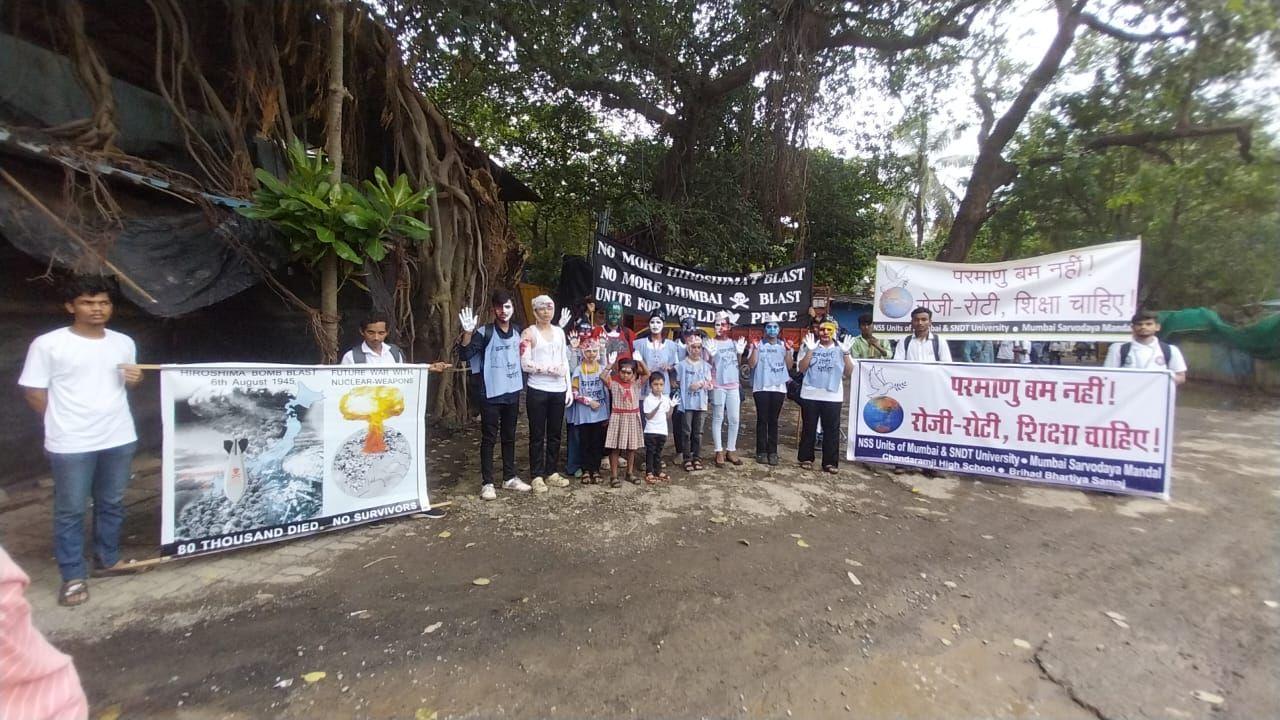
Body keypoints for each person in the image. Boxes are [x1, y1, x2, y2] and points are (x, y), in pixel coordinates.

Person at [18, 277, 143, 607]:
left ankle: (108, 559)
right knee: (71, 508)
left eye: (103, 302)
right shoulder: (48, 344)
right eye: (88, 302)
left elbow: (125, 384)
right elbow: (33, 391)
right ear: (71, 306)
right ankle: (73, 576)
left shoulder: (123, 342)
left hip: (118, 435)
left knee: (112, 501)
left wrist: (136, 379)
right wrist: (59, 422)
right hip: (71, 441)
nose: (97, 308)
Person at [457, 289, 532, 500]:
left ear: (513, 308)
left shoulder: (518, 331)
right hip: (490, 393)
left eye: (507, 306)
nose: (503, 311)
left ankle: (509, 477)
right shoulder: (484, 332)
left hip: (512, 392)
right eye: (499, 307)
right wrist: (468, 333)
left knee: (509, 436)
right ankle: (487, 482)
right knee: (489, 438)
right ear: (493, 310)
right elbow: (464, 355)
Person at [1, 545, 89, 718]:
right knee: (70, 517)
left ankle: (107, 558)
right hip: (50, 699)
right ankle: (74, 576)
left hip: (50, 702)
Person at [520, 295, 573, 492]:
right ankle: (536, 475)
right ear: (535, 311)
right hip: (538, 389)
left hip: (558, 390)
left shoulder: (559, 332)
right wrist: (549, 369)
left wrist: (568, 386)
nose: (546, 312)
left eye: (549, 308)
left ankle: (551, 471)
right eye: (541, 309)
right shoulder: (529, 333)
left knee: (555, 434)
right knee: (537, 434)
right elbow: (525, 363)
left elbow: (564, 360)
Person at [797, 320, 856, 474]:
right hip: (810, 393)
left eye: (828, 329)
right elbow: (801, 369)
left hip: (833, 396)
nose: (824, 332)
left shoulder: (841, 348)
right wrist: (810, 351)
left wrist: (846, 354)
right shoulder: (809, 345)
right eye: (821, 329)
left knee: (832, 430)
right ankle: (806, 458)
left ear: (834, 331)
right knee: (809, 427)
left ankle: (830, 462)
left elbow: (849, 372)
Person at [633, 312, 680, 473]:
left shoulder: (672, 346)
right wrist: (644, 369)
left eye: (658, 321)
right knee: (646, 423)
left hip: (662, 388)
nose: (654, 325)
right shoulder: (639, 343)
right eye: (652, 321)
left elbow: (676, 366)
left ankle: (657, 457)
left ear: (663, 324)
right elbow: (634, 366)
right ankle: (646, 458)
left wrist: (670, 367)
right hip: (645, 388)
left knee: (661, 421)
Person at [747, 316, 794, 465]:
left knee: (774, 420)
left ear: (779, 330)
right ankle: (761, 451)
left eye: (775, 327)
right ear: (764, 329)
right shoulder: (757, 344)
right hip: (761, 387)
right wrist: (754, 348)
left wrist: (788, 351)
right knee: (762, 419)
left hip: (779, 388)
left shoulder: (784, 345)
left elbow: (789, 366)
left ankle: (772, 452)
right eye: (769, 327)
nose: (772, 330)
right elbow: (752, 364)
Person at [1104, 310, 1187, 384]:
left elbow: (1181, 377)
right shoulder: (1118, 349)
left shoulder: (1171, 350)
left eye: (1149, 324)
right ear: (1132, 328)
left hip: (1157, 398)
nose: (1143, 327)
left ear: (1157, 327)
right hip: (1126, 398)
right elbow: (1107, 375)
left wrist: (1159, 380)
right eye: (1139, 324)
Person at [568, 339, 610, 484]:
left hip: (600, 413)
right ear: (582, 352)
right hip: (584, 413)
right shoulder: (578, 370)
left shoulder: (601, 368)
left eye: (594, 351)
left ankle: (596, 470)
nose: (591, 354)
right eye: (588, 351)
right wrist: (588, 401)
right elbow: (574, 392)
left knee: (597, 442)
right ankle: (586, 470)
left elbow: (608, 389)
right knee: (584, 442)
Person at [707, 312, 747, 467]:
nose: (720, 327)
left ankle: (731, 449)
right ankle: (718, 451)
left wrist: (739, 353)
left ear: (729, 327)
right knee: (718, 418)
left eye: (723, 324)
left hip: (733, 385)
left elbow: (736, 363)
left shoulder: (733, 343)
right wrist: (711, 355)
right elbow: (708, 364)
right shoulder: (710, 342)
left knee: (734, 418)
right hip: (718, 384)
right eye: (717, 324)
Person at [604, 359, 645, 487]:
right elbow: (602, 376)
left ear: (634, 374)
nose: (625, 375)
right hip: (618, 417)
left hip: (632, 417)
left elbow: (647, 374)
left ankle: (629, 472)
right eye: (623, 372)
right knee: (615, 448)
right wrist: (609, 366)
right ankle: (614, 475)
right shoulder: (614, 384)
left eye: (629, 373)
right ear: (618, 371)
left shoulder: (636, 384)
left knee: (631, 448)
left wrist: (640, 362)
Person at [676, 330, 712, 471]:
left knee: (698, 432)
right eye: (693, 347)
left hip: (701, 403)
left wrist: (701, 384)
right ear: (688, 348)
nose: (696, 350)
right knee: (686, 431)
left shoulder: (705, 365)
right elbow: (677, 382)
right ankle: (686, 458)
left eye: (698, 348)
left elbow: (710, 384)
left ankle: (697, 457)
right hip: (687, 403)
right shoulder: (682, 365)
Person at [641, 373, 677, 484]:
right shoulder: (648, 399)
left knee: (658, 452)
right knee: (650, 452)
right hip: (651, 430)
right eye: (655, 384)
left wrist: (672, 406)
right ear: (651, 385)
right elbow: (648, 416)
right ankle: (649, 472)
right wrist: (657, 406)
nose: (658, 387)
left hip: (662, 430)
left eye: (661, 384)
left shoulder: (665, 398)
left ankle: (658, 471)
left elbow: (668, 416)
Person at [339, 311, 404, 364]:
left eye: (381, 333)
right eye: (371, 333)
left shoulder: (395, 353)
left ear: (387, 332)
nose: (376, 337)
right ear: (362, 331)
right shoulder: (350, 357)